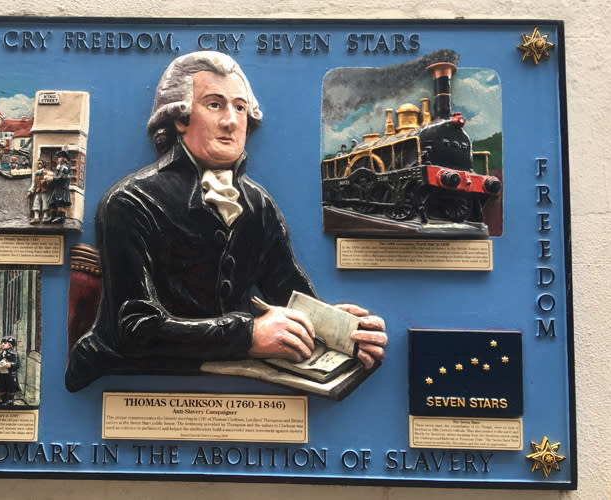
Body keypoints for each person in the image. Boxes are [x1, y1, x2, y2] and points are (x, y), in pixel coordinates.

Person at [66, 51, 387, 391]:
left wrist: (341, 329)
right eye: (215, 104)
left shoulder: (258, 204)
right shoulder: (129, 201)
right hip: (128, 382)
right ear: (180, 117)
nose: (231, 121)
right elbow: (135, 328)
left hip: (223, 385)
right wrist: (248, 334)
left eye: (240, 107)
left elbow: (288, 290)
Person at [0, 336, 20, 406]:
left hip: (10, 374)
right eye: (2, 343)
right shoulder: (0, 354)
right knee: (2, 386)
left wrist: (11, 365)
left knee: (10, 387)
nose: (2, 344)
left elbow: (17, 364)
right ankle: (3, 399)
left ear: (10, 345)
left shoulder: (14, 354)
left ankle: (10, 400)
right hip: (1, 373)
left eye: (5, 343)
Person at [47, 151, 72, 223]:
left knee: (60, 202)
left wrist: (52, 178)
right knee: (52, 201)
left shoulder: (65, 167)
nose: (58, 159)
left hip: (62, 187)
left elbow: (61, 178)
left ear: (63, 158)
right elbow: (57, 175)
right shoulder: (60, 166)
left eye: (59, 157)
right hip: (57, 187)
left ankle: (61, 217)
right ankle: (52, 216)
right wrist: (52, 175)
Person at [27, 159, 53, 224]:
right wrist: (30, 191)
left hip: (45, 190)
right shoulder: (36, 174)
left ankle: (45, 217)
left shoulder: (47, 172)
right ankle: (36, 217)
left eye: (40, 163)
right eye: (37, 163)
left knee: (45, 202)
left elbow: (51, 180)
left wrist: (46, 181)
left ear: (43, 164)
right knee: (36, 202)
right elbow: (34, 184)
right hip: (38, 190)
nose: (38, 165)